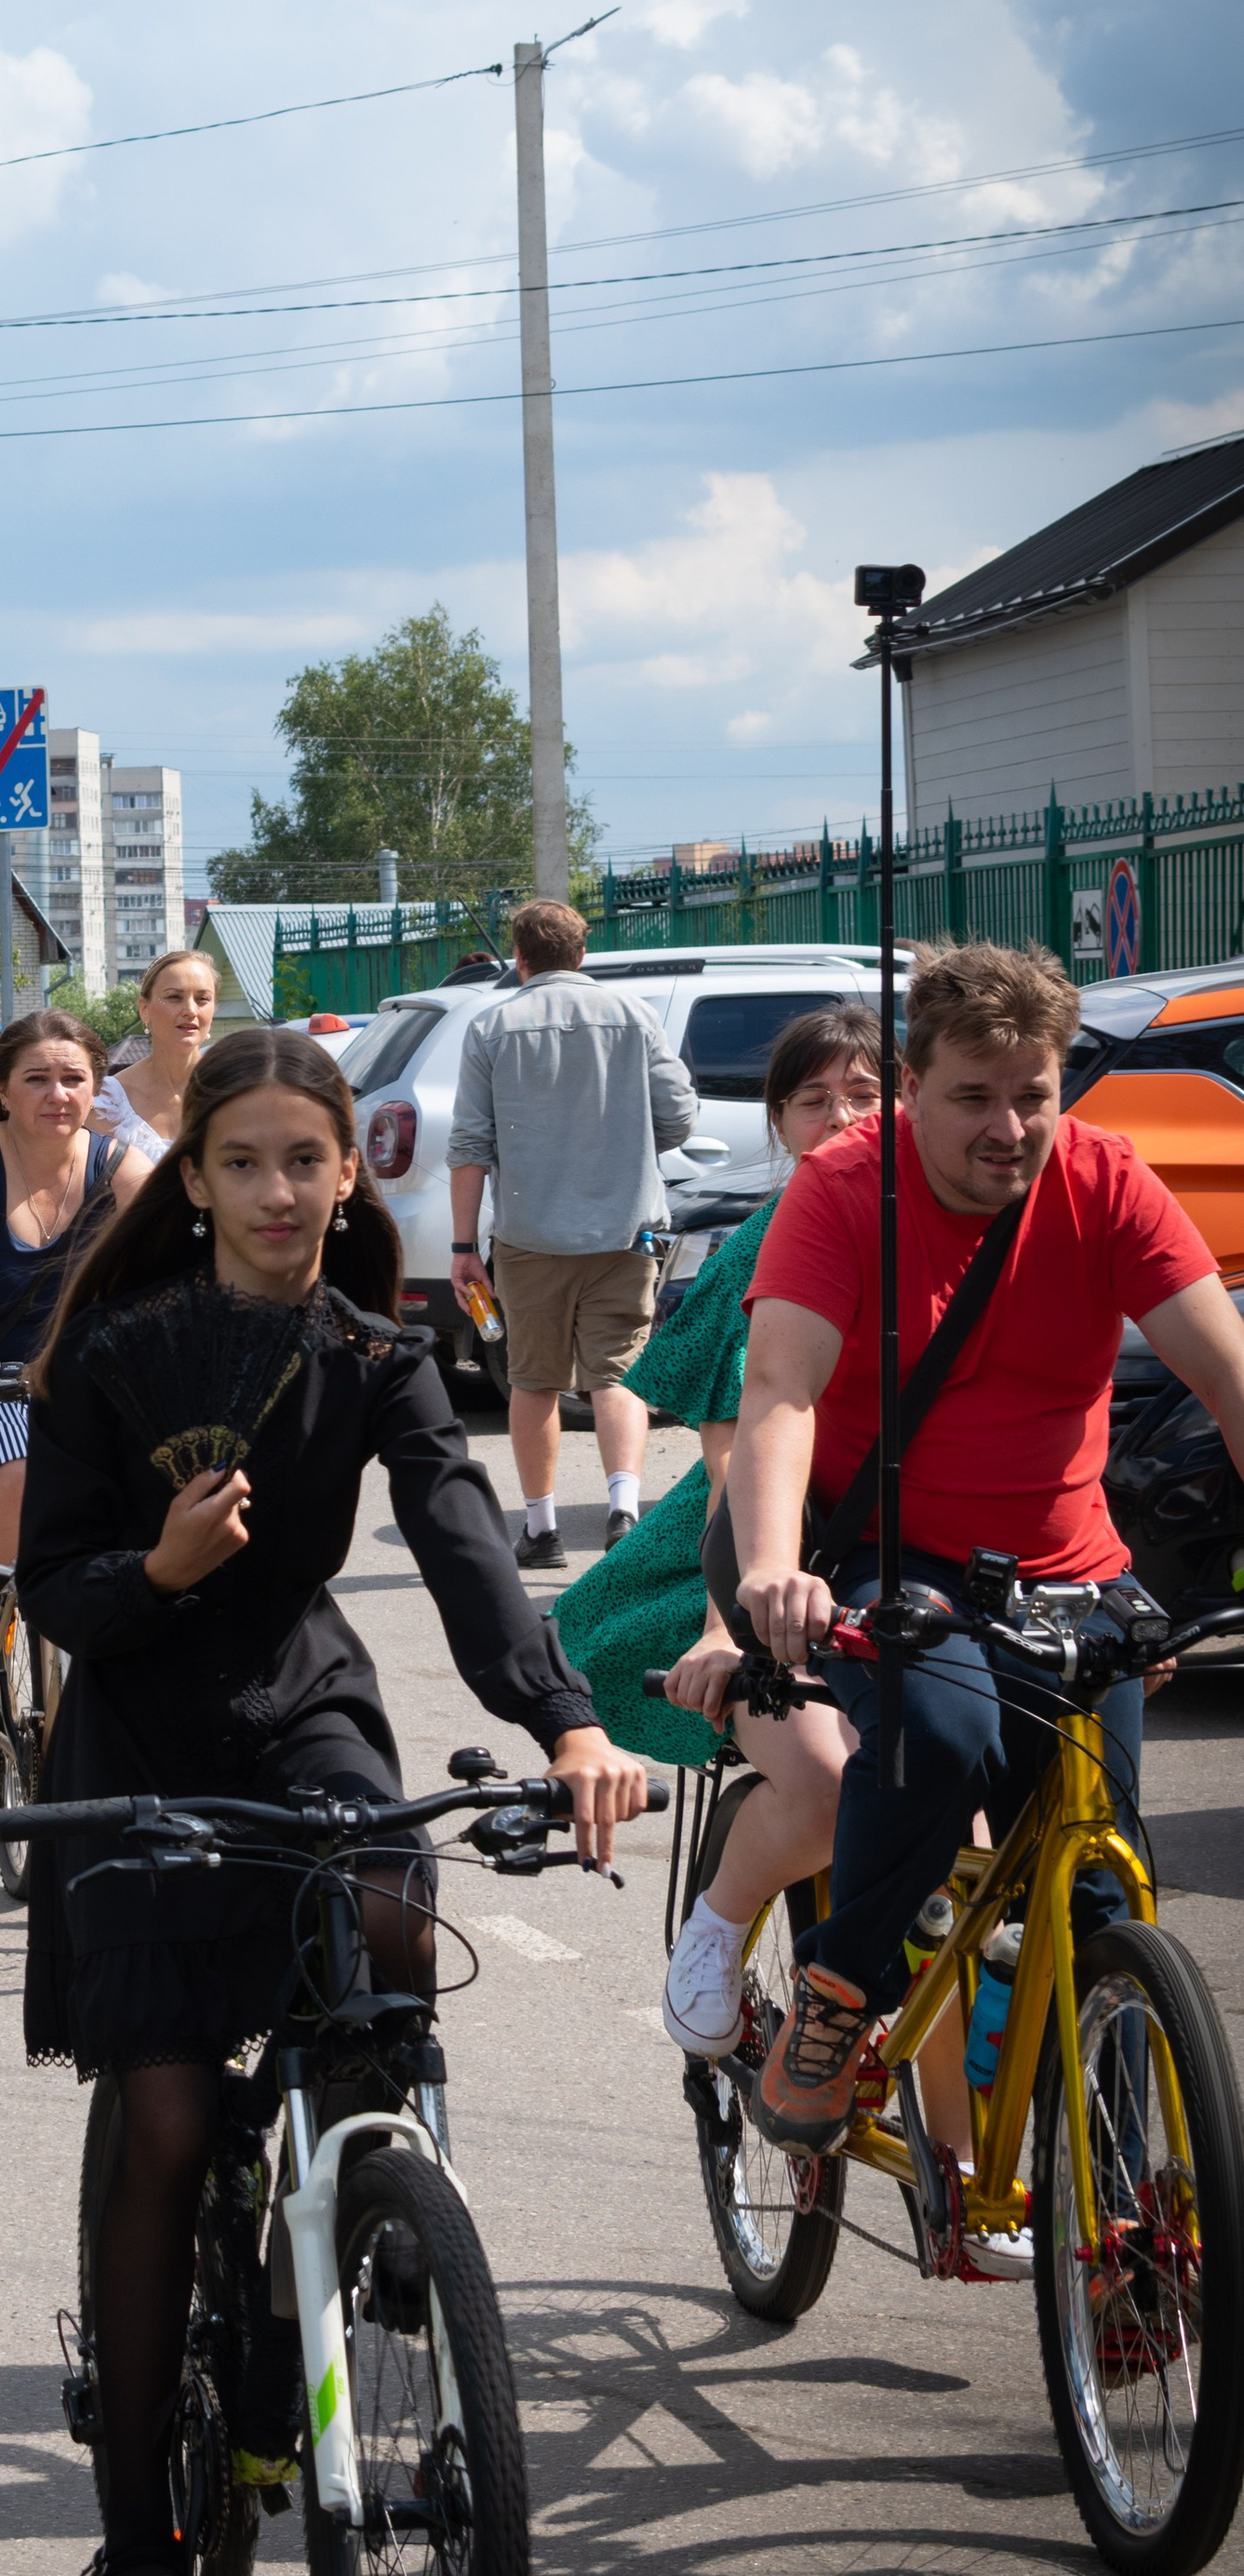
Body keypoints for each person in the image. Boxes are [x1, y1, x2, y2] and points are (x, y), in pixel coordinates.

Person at [18, 1024, 643, 2576]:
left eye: (309, 1160)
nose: (281, 1192)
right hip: (138, 1728)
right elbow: (54, 1594)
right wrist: (152, 1569)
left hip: (303, 1707)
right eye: (245, 1163)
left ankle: (364, 2220)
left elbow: (460, 1544)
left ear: (348, 1168)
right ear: (198, 1178)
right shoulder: (119, 1349)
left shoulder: (375, 1353)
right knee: (161, 2112)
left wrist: (566, 1720)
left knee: (389, 1923)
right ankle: (140, 2541)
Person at [720, 942, 1244, 2157]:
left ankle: (1121, 2228)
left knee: (1101, 1893)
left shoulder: (1108, 1183)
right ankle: (839, 2002)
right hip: (892, 1559)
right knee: (943, 1740)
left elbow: (1224, 1372)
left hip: (1073, 1569)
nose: (1009, 1127)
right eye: (974, 1097)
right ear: (910, 1085)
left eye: (1035, 1094)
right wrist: (766, 1568)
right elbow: (782, 1393)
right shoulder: (847, 1190)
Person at [545, 1006, 885, 2052]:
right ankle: (717, 1930)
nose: (838, 1118)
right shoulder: (761, 1249)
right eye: (812, 1100)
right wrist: (723, 1623)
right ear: (777, 1122)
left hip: (899, 1552)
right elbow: (735, 1460)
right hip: (744, 1556)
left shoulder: (944, 1224)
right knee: (829, 1784)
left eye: (864, 1095)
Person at [447, 895, 700, 1568]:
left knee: (532, 1381)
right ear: (582, 953)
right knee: (616, 1378)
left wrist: (463, 1247)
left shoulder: (493, 1026)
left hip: (531, 1238)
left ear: (521, 957)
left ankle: (542, 1530)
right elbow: (679, 1118)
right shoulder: (634, 1016)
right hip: (625, 1233)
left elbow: (470, 1144)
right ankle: (621, 1511)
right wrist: (627, 1144)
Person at [0, 1011, 149, 1695]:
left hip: (86, 1384)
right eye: (37, 1079)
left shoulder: (118, 1165)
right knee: (20, 1471)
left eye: (74, 1079)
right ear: (4, 1090)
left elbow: (166, 1264)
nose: (58, 1094)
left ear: (95, 1087)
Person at [88, 947, 219, 1164]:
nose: (190, 1010)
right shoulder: (107, 1103)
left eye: (202, 999)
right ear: (144, 1008)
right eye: (174, 997)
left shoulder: (237, 1090)